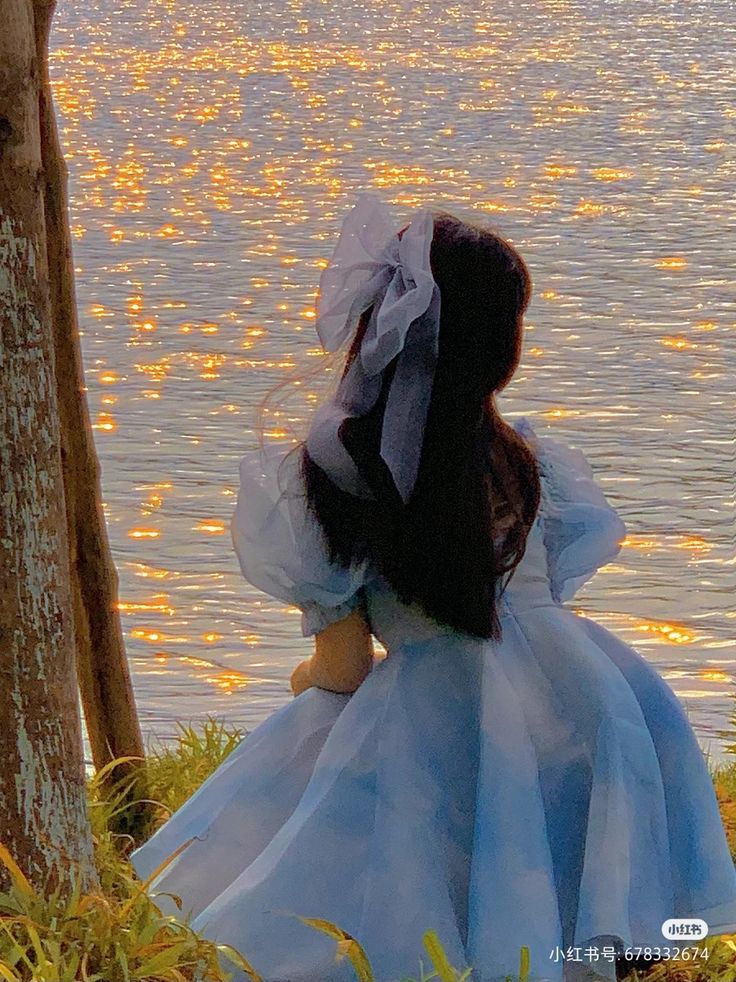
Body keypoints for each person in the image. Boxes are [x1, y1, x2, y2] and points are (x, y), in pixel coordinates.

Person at [130, 193, 736, 982]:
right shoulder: (532, 465)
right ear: (499, 352)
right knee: (540, 805)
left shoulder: (337, 479)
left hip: (439, 709)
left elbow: (344, 672)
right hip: (590, 700)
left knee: (325, 726)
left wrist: (305, 679)